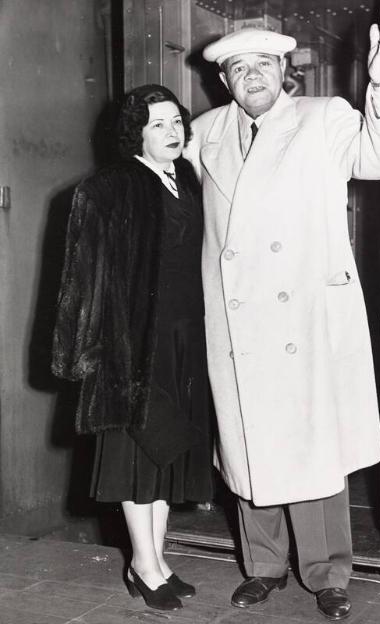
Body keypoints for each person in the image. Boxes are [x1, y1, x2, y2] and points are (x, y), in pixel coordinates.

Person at [184, 3, 380, 621]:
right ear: (223, 81)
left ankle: (328, 573)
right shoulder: (203, 132)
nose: (251, 75)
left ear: (284, 71)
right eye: (238, 68)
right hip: (236, 321)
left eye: (263, 64)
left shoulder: (323, 118)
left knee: (312, 447)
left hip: (303, 315)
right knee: (247, 445)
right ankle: (263, 567)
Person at [52, 84, 213, 612]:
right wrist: (87, 353)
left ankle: (158, 560)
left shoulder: (184, 178)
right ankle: (143, 565)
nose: (171, 132)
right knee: (136, 459)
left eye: (176, 122)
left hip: (184, 339)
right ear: (135, 135)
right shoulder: (112, 186)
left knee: (165, 456)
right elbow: (83, 277)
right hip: (131, 346)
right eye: (157, 124)